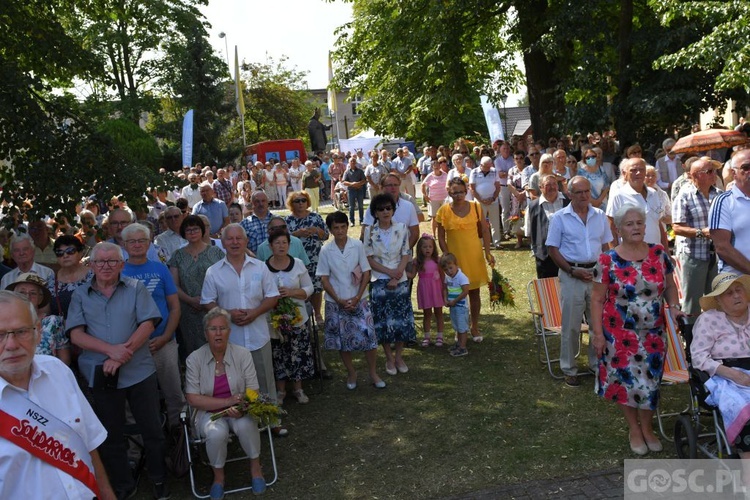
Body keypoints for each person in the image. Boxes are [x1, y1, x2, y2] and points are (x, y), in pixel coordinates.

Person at [67, 242, 169, 499]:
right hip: (101, 373)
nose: (105, 266)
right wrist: (110, 351)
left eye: (112, 261)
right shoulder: (80, 294)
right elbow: (76, 335)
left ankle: (159, 479)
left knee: (152, 430)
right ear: (91, 266)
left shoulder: (136, 288)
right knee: (110, 435)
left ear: (122, 265)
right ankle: (123, 485)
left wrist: (122, 356)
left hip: (139, 371)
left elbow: (148, 324)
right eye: (100, 262)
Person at [0, 291, 115, 499]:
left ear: (38, 332)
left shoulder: (58, 371)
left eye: (21, 331)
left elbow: (87, 446)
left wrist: (107, 494)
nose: (11, 344)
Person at [590, 204, 682, 455]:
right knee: (626, 382)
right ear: (618, 229)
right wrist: (597, 334)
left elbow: (670, 286)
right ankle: (634, 428)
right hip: (618, 334)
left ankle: (648, 428)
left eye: (639, 223)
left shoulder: (659, 253)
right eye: (629, 224)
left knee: (649, 381)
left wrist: (673, 306)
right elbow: (597, 299)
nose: (636, 228)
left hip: (653, 333)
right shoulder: (607, 259)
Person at [185, 307, 267, 498]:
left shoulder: (243, 354)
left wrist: (241, 408)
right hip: (207, 413)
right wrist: (226, 401)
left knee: (246, 424)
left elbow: (253, 390)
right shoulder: (194, 359)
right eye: (213, 329)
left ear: (229, 331)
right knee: (216, 433)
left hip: (239, 409)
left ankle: (256, 469)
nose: (218, 333)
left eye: (223, 328)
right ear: (206, 334)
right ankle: (218, 478)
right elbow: (193, 398)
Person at [201, 224, 281, 420]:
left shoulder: (260, 267)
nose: (235, 242)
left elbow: (272, 297)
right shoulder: (214, 271)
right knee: (234, 382)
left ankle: (271, 419)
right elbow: (207, 302)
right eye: (230, 239)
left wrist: (255, 313)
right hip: (230, 339)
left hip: (258, 335)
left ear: (246, 241)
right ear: (223, 242)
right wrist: (227, 314)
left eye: (239, 238)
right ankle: (242, 420)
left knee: (264, 380)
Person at [547, 176, 613, 386]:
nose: (584, 196)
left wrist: (604, 270)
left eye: (587, 191)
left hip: (596, 275)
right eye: (579, 192)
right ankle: (569, 368)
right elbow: (552, 249)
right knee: (571, 325)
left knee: (598, 323)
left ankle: (596, 365)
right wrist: (571, 270)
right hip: (571, 275)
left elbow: (606, 247)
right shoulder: (559, 218)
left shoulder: (600, 216)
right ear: (569, 194)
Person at [121, 223, 185, 430]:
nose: (137, 245)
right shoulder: (118, 271)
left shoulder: (160, 269)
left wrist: (166, 336)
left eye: (142, 240)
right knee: (136, 398)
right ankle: (138, 445)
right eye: (132, 241)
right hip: (132, 347)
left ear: (149, 243)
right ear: (124, 244)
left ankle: (180, 436)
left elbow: (174, 307)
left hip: (164, 342)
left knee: (174, 394)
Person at [690, 273, 750, 482]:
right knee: (744, 406)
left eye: (738, 290)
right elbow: (698, 358)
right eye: (728, 293)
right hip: (724, 375)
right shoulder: (709, 320)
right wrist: (733, 374)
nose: (735, 296)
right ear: (718, 300)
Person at [317, 211, 385, 389]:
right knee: (342, 340)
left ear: (347, 227)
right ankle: (351, 372)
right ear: (331, 230)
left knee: (369, 337)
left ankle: (373, 372)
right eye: (336, 228)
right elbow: (324, 279)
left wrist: (356, 297)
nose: (340, 231)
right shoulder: (325, 250)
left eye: (343, 227)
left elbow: (366, 272)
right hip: (336, 301)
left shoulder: (357, 245)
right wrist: (339, 300)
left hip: (359, 299)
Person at [435, 178, 495, 340]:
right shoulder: (443, 210)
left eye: (461, 191)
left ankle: (474, 326)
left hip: (474, 257)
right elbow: (440, 236)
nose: (458, 195)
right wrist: (447, 256)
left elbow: (485, 230)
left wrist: (488, 252)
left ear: (466, 191)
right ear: (449, 192)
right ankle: (459, 328)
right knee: (455, 295)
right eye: (455, 192)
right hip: (454, 261)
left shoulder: (476, 207)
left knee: (474, 293)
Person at [364, 194, 416, 375]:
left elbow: (405, 253)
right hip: (379, 280)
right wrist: (389, 273)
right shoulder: (369, 231)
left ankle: (399, 356)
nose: (385, 211)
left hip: (400, 279)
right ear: (375, 213)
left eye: (389, 208)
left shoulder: (402, 228)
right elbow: (368, 258)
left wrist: (397, 275)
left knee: (401, 319)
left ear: (393, 210)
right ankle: (389, 358)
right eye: (381, 209)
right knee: (383, 320)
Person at [265, 230, 314, 405]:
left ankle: (298, 389)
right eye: (277, 243)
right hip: (274, 321)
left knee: (297, 352)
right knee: (278, 354)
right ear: (270, 246)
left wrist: (292, 292)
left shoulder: (298, 264)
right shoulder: (262, 267)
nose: (281, 246)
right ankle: (280, 391)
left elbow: (309, 288)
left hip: (297, 319)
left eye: (284, 242)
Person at [671, 157, 722, 320]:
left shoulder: (719, 195)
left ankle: (715, 336)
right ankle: (690, 339)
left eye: (714, 170)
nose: (714, 174)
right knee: (692, 303)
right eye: (709, 171)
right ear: (695, 175)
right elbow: (677, 227)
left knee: (715, 300)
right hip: (694, 256)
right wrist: (701, 232)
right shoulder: (684, 196)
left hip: (717, 256)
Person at [169, 215, 225, 358]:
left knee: (217, 349)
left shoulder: (216, 252)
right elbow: (174, 285)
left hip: (214, 309)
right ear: (183, 233)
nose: (192, 232)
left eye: (195, 229)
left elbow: (224, 281)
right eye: (188, 230)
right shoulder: (177, 256)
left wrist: (208, 302)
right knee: (194, 354)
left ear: (202, 230)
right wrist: (190, 300)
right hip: (189, 312)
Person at [285, 191, 330, 326]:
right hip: (295, 260)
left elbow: (326, 236)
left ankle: (317, 313)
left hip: (315, 258)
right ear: (291, 204)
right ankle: (301, 314)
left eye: (303, 200)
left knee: (316, 287)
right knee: (299, 286)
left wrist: (316, 230)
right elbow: (283, 240)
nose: (300, 203)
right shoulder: (287, 220)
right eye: (297, 201)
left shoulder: (315, 217)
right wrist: (296, 234)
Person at [5, 273, 69, 365]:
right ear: (14, 296)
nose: (27, 297)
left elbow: (65, 359)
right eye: (22, 292)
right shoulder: (4, 322)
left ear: (40, 299)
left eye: (33, 293)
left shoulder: (53, 322)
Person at [607, 158, 669, 249]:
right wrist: (615, 254)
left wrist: (666, 252)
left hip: (655, 253)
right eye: (633, 170)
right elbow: (611, 227)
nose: (638, 173)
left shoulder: (654, 193)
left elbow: (658, 223)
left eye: (641, 169)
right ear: (625, 174)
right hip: (630, 254)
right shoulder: (619, 196)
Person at [709, 148, 750, 275]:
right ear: (734, 173)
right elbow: (722, 247)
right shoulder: (723, 202)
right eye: (746, 167)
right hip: (737, 282)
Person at [525, 175, 568, 279]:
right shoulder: (532, 206)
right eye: (548, 185)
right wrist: (537, 251)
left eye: (554, 184)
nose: (552, 187)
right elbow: (529, 232)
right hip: (544, 257)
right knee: (547, 291)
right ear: (540, 187)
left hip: (567, 254)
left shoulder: (568, 202)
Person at [362, 173, 421, 248]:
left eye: (396, 185)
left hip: (404, 255)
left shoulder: (408, 206)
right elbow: (365, 232)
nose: (393, 188)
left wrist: (404, 251)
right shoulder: (373, 206)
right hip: (378, 254)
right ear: (381, 187)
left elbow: (415, 233)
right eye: (389, 185)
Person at [48, 234, 93, 318]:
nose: (65, 256)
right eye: (59, 253)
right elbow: (46, 311)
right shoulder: (51, 281)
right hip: (61, 329)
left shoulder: (94, 277)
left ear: (80, 253)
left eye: (70, 251)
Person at [413, 234, 445, 347]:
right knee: (427, 314)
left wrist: (444, 289)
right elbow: (412, 275)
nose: (427, 249)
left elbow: (443, 276)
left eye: (430, 247)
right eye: (424, 247)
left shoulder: (438, 261)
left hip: (436, 289)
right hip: (424, 289)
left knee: (438, 313)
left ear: (434, 248)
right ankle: (427, 337)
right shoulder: (417, 262)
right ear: (420, 249)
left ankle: (440, 336)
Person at [440, 253, 471, 357]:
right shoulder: (448, 277)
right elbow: (445, 288)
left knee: (462, 327)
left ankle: (463, 347)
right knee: (457, 326)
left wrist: (455, 301)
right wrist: (445, 299)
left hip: (461, 307)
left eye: (451, 268)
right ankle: (458, 344)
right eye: (446, 270)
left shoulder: (462, 277)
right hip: (453, 307)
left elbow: (465, 291)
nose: (449, 271)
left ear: (456, 265)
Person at [469, 156, 502, 248]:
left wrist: (493, 198)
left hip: (493, 201)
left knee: (495, 222)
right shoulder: (474, 172)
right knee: (480, 223)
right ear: (481, 165)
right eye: (486, 166)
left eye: (489, 166)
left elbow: (498, 186)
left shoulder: (494, 171)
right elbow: (472, 188)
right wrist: (481, 200)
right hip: (479, 201)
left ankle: (497, 242)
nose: (488, 168)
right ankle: (481, 242)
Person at [421, 157, 449, 237]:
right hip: (433, 199)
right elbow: (423, 185)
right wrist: (425, 195)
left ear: (440, 166)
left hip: (444, 199)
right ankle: (434, 234)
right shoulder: (430, 176)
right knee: (434, 217)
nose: (436, 167)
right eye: (434, 166)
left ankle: (446, 233)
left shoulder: (445, 174)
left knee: (445, 217)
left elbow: (449, 184)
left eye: (437, 165)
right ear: (432, 167)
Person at [240, 190, 274, 254]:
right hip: (253, 261)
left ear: (267, 202)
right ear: (252, 203)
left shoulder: (277, 221)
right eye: (257, 201)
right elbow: (239, 245)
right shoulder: (244, 224)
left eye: (263, 201)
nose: (261, 204)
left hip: (275, 261)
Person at [342, 156, 367, 226]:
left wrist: (358, 184)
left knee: (361, 206)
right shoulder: (346, 172)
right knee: (351, 207)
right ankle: (352, 221)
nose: (352, 162)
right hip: (351, 191)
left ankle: (361, 220)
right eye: (351, 161)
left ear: (356, 162)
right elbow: (344, 182)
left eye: (354, 161)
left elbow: (364, 180)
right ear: (349, 163)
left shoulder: (360, 171)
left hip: (359, 190)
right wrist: (352, 184)